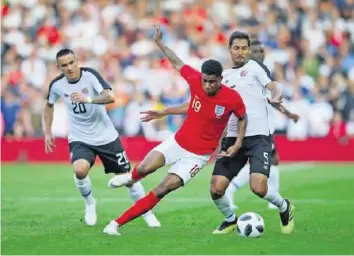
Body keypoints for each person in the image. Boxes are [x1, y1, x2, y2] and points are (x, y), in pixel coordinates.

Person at [140, 33, 295, 235]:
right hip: (232, 139)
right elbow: (196, 102)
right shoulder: (222, 78)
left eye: (244, 48)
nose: (240, 52)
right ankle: (230, 219)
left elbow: (272, 86)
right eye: (236, 48)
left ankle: (284, 207)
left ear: (248, 50)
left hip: (258, 138)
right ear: (229, 50)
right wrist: (167, 110)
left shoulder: (255, 68)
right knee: (216, 189)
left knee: (258, 187)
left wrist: (276, 95)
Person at [102, 23, 247, 236]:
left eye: (212, 82)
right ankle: (132, 178)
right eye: (205, 81)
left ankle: (115, 224)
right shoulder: (195, 80)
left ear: (220, 80)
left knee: (162, 188)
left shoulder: (232, 98)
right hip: (177, 142)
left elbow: (243, 119)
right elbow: (177, 62)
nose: (207, 85)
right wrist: (160, 43)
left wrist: (238, 144)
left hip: (197, 157)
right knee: (144, 168)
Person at [43, 48, 160, 227]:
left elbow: (110, 96)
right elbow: (49, 105)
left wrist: (88, 99)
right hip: (80, 137)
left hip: (106, 136)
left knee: (128, 178)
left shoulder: (90, 75)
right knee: (80, 170)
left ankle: (146, 212)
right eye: (64, 65)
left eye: (71, 63)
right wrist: (48, 131)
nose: (69, 68)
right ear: (59, 68)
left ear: (77, 61)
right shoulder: (57, 85)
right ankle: (90, 203)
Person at [225, 40, 300, 210]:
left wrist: (288, 114)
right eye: (255, 51)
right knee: (269, 160)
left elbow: (271, 99)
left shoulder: (261, 71)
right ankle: (233, 188)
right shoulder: (249, 71)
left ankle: (272, 196)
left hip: (263, 126)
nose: (259, 54)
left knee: (273, 160)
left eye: (261, 51)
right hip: (254, 127)